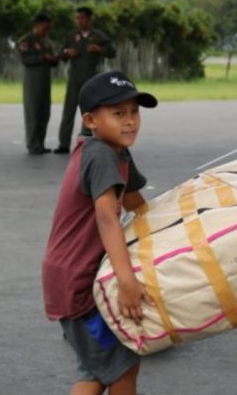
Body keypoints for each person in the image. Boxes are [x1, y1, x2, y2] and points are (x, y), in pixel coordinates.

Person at [42, 70, 158, 394]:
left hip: (74, 276)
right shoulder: (101, 154)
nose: (130, 121)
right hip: (78, 283)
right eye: (118, 113)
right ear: (91, 120)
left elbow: (137, 204)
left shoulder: (118, 150)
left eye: (134, 112)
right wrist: (128, 281)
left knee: (96, 371)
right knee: (122, 369)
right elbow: (107, 219)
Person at [54, 6, 117, 154]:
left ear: (89, 19)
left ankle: (85, 141)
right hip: (74, 79)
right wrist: (66, 52)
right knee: (68, 111)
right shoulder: (71, 36)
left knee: (88, 112)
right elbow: (61, 55)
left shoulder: (98, 36)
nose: (79, 21)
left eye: (82, 18)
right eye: (77, 18)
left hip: (91, 79)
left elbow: (112, 52)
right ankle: (63, 144)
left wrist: (99, 50)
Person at [18, 13, 59, 155]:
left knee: (44, 113)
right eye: (45, 27)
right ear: (37, 24)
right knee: (33, 113)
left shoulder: (46, 43)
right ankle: (32, 144)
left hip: (45, 81)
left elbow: (54, 61)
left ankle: (40, 143)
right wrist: (42, 57)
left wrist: (54, 59)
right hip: (32, 81)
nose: (47, 30)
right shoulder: (26, 41)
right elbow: (25, 60)